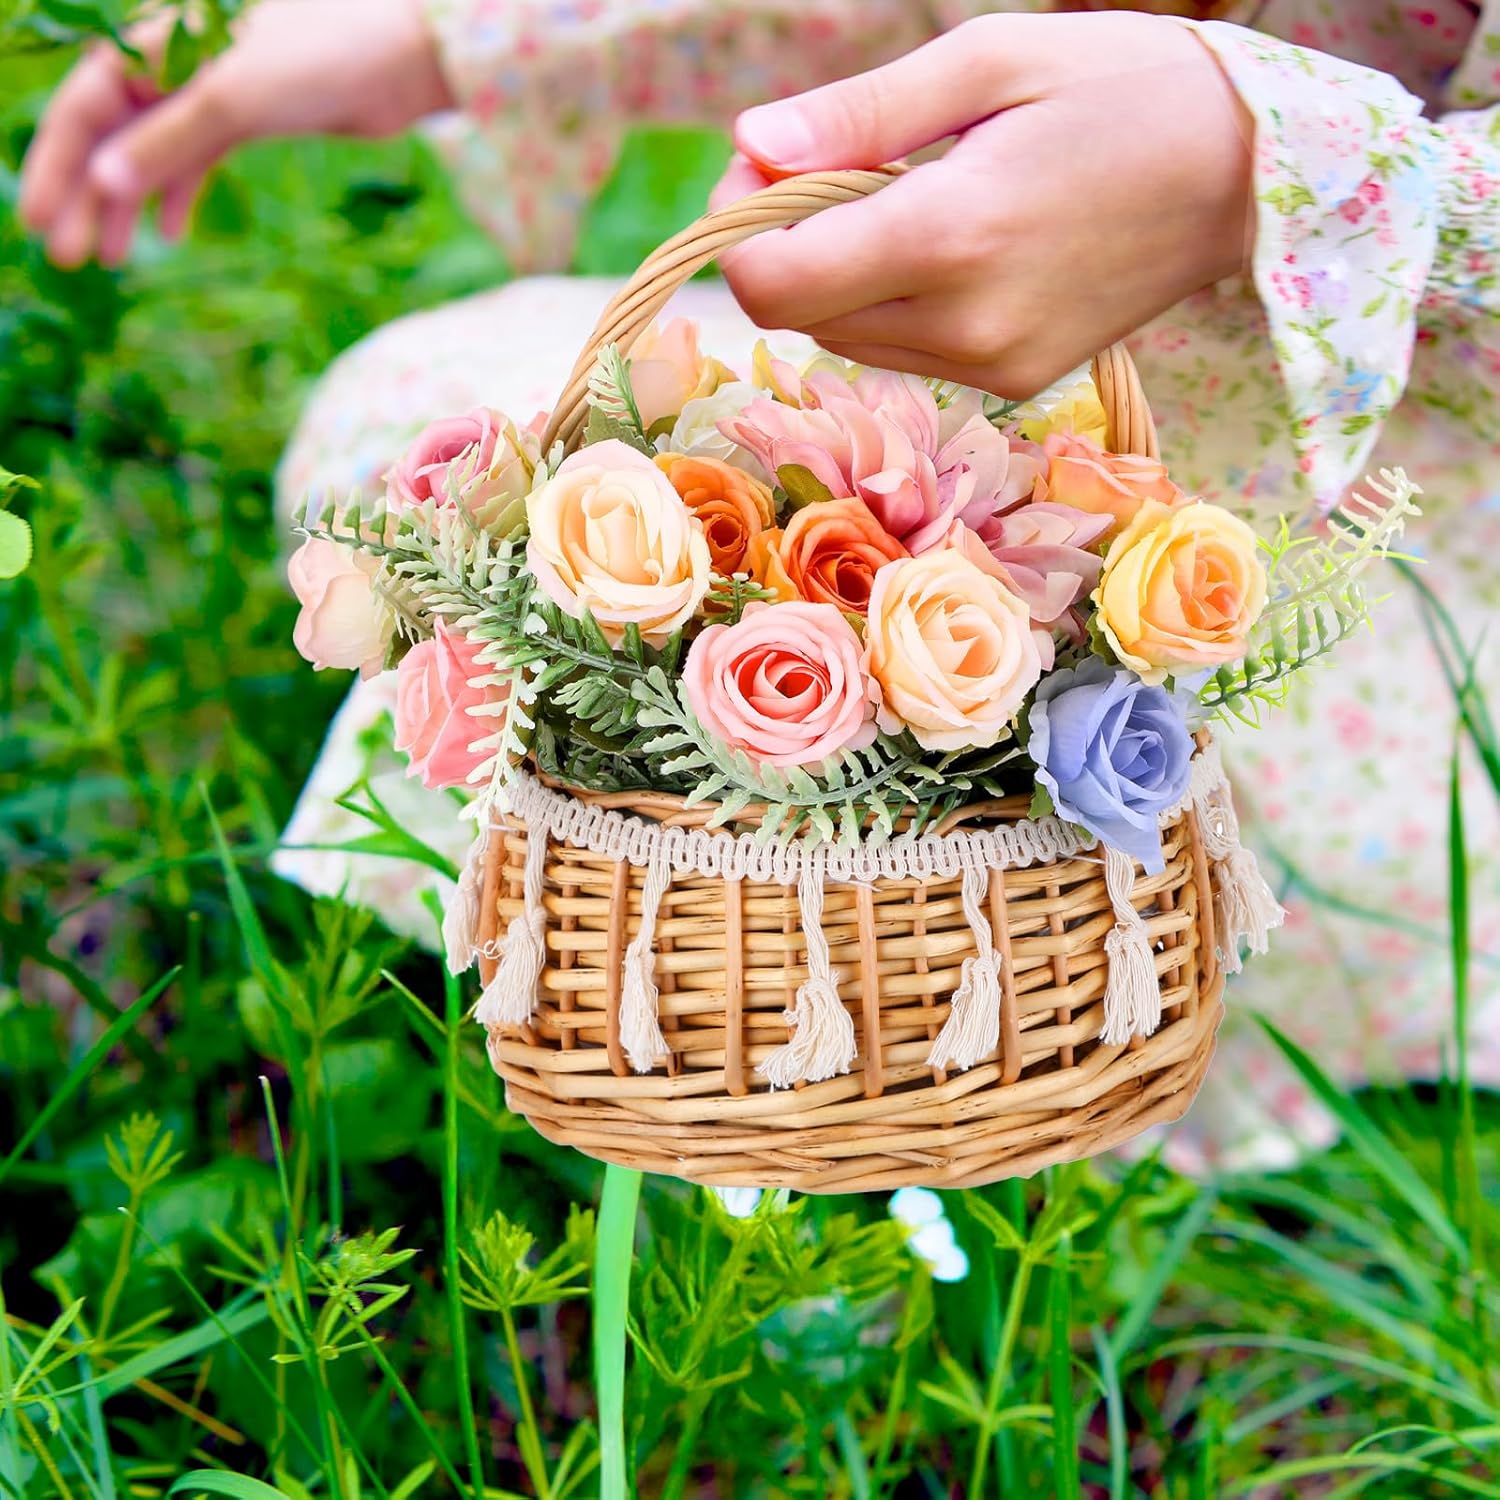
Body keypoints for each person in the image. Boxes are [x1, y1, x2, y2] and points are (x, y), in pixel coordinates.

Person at [21, 0, 1500, 1172]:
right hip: (949, 421)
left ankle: (933, 1075)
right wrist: (433, 31)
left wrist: (1274, 174)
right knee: (427, 431)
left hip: (1374, 560)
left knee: (1119, 788)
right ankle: (688, 1005)